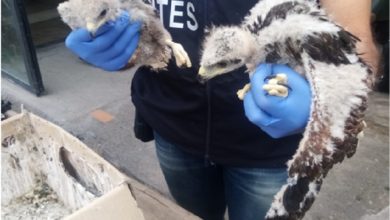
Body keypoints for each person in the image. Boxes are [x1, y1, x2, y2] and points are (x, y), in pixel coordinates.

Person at [65, 0, 379, 219]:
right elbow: (133, 19)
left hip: (269, 149)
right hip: (174, 127)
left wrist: (328, 100)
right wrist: (118, 47)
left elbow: (354, 37)